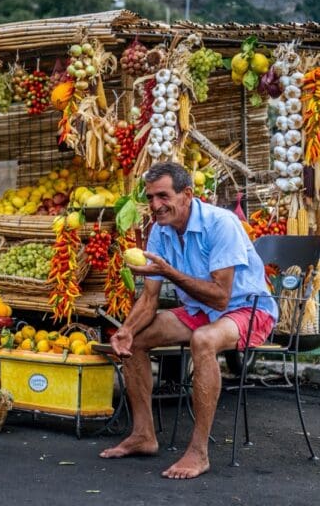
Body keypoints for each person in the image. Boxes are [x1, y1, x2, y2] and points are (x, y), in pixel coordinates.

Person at [99, 161, 277, 479]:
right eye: (151, 198)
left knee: (203, 340)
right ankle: (143, 434)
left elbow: (221, 296)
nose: (155, 205)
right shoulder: (159, 231)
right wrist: (126, 329)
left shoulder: (220, 223)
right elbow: (150, 298)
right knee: (135, 339)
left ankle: (198, 451)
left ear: (187, 194)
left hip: (248, 309)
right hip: (200, 310)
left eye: (163, 196)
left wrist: (170, 272)